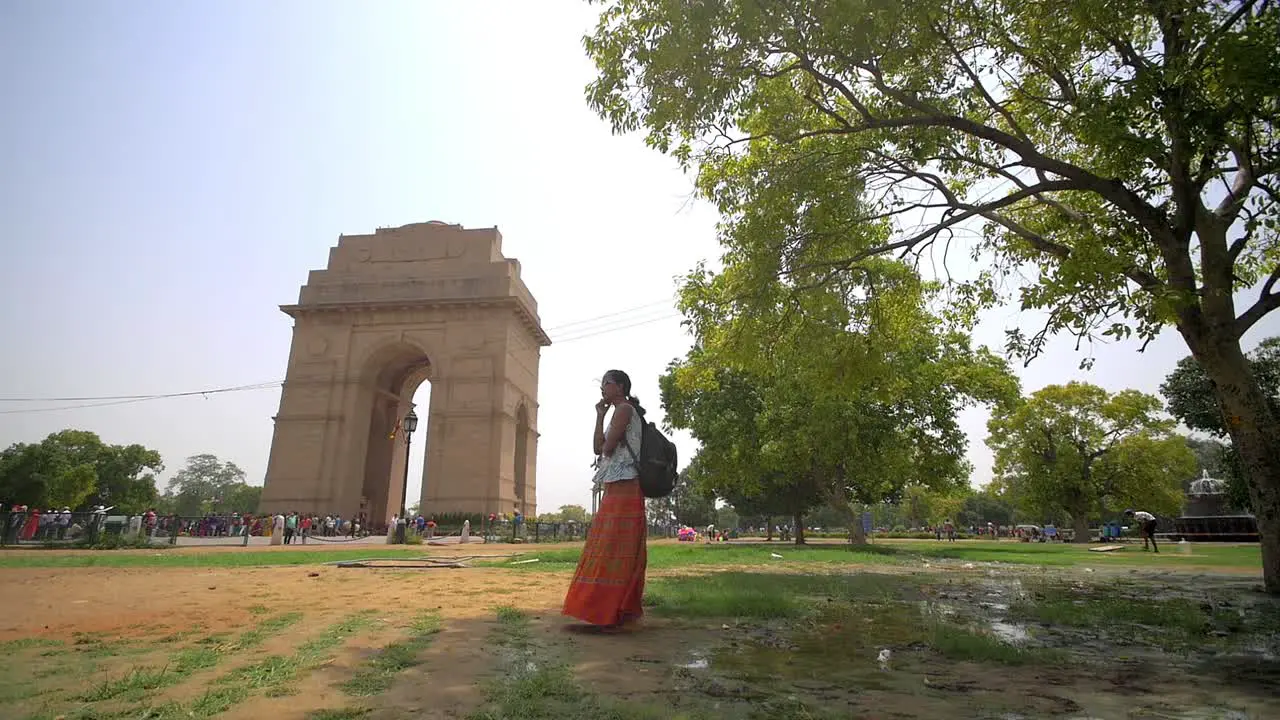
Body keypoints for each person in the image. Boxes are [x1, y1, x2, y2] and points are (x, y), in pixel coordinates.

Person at [562, 369, 648, 631]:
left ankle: (607, 609)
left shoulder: (624, 410)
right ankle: (614, 609)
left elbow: (606, 448)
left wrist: (605, 427)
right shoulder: (616, 411)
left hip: (624, 484)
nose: (603, 388)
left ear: (620, 386)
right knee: (614, 546)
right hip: (619, 484)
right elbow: (597, 447)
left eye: (606, 384)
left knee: (611, 546)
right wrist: (599, 415)